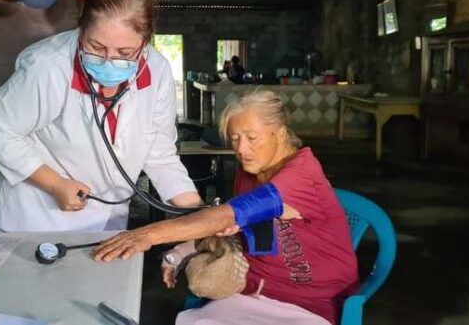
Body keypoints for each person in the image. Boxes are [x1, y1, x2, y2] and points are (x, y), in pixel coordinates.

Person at [92, 90, 358, 325]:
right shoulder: (248, 174)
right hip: (253, 291)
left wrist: (146, 235)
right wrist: (181, 250)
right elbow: (234, 230)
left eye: (252, 138)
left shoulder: (301, 174)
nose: (242, 149)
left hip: (311, 300)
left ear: (280, 133)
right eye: (235, 139)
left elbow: (228, 215)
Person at [0, 0, 203, 233]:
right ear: (82, 27)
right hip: (38, 217)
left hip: (108, 221)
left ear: (146, 41)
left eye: (125, 52)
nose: (109, 60)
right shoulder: (50, 66)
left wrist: (197, 215)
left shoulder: (157, 71)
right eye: (96, 46)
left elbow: (160, 154)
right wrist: (54, 184)